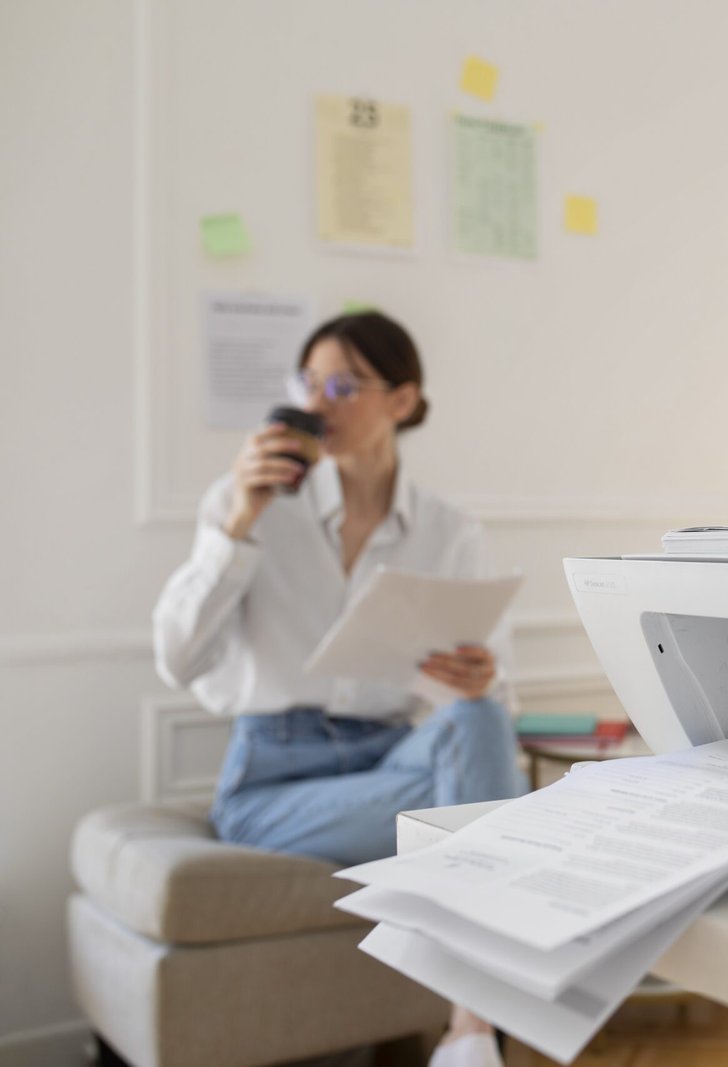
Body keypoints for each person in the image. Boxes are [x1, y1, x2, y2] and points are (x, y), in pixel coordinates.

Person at [154, 311, 518, 1066]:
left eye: (344, 384)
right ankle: (475, 1031)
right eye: (308, 383)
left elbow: (490, 685)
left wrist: (482, 673)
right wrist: (240, 525)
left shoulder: (448, 529)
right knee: (493, 814)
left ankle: (468, 1028)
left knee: (481, 716)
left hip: (389, 758)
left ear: (403, 400)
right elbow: (177, 660)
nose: (320, 401)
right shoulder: (245, 502)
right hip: (273, 782)